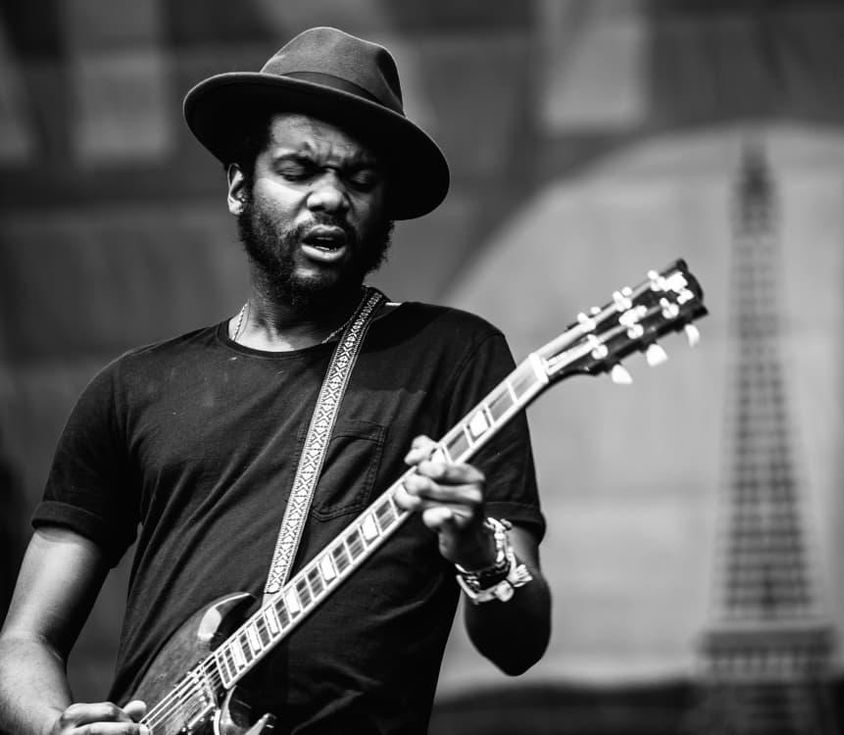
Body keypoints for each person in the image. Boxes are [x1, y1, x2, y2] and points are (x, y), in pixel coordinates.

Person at [0, 27, 550, 735]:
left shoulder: (452, 358)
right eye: (298, 170)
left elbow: (521, 642)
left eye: (358, 178)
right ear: (239, 186)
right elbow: (22, 641)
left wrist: (480, 553)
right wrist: (53, 726)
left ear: (385, 204)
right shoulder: (133, 388)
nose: (330, 198)